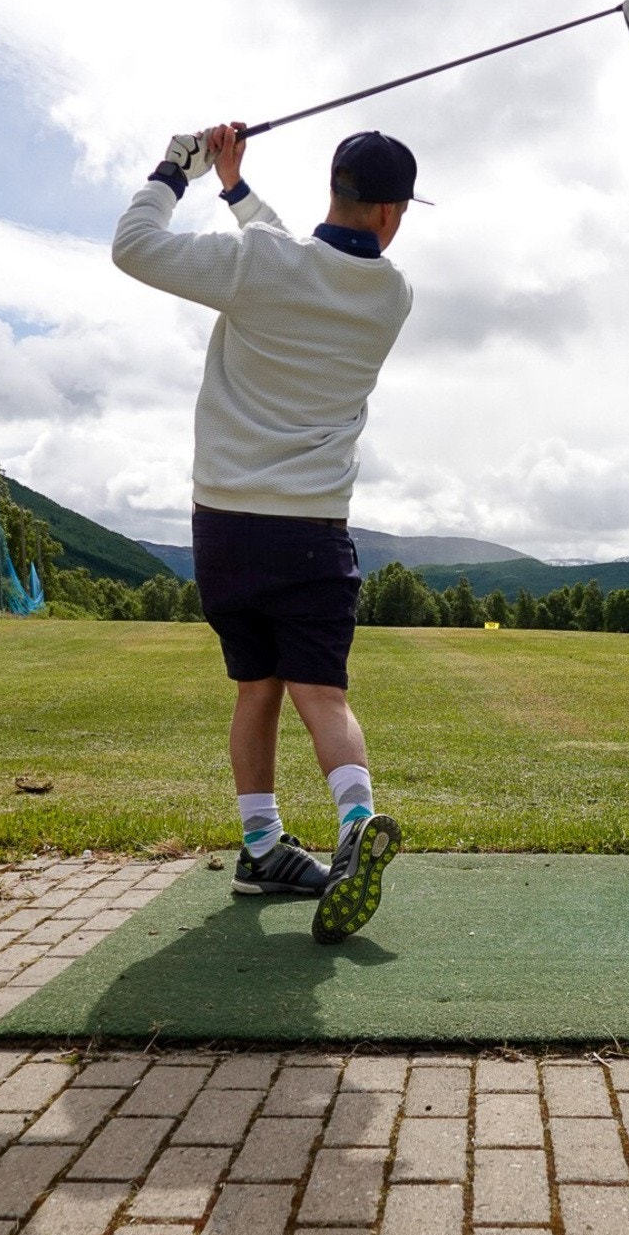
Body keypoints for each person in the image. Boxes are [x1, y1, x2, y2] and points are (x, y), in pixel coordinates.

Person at [111, 122, 421, 943]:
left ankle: (260, 850)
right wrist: (238, 190)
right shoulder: (390, 297)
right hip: (313, 532)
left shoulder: (257, 267)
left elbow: (135, 245)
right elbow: (297, 259)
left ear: (336, 190)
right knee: (322, 694)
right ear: (391, 215)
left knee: (256, 690)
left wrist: (181, 168)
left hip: (223, 528)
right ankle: (354, 820)